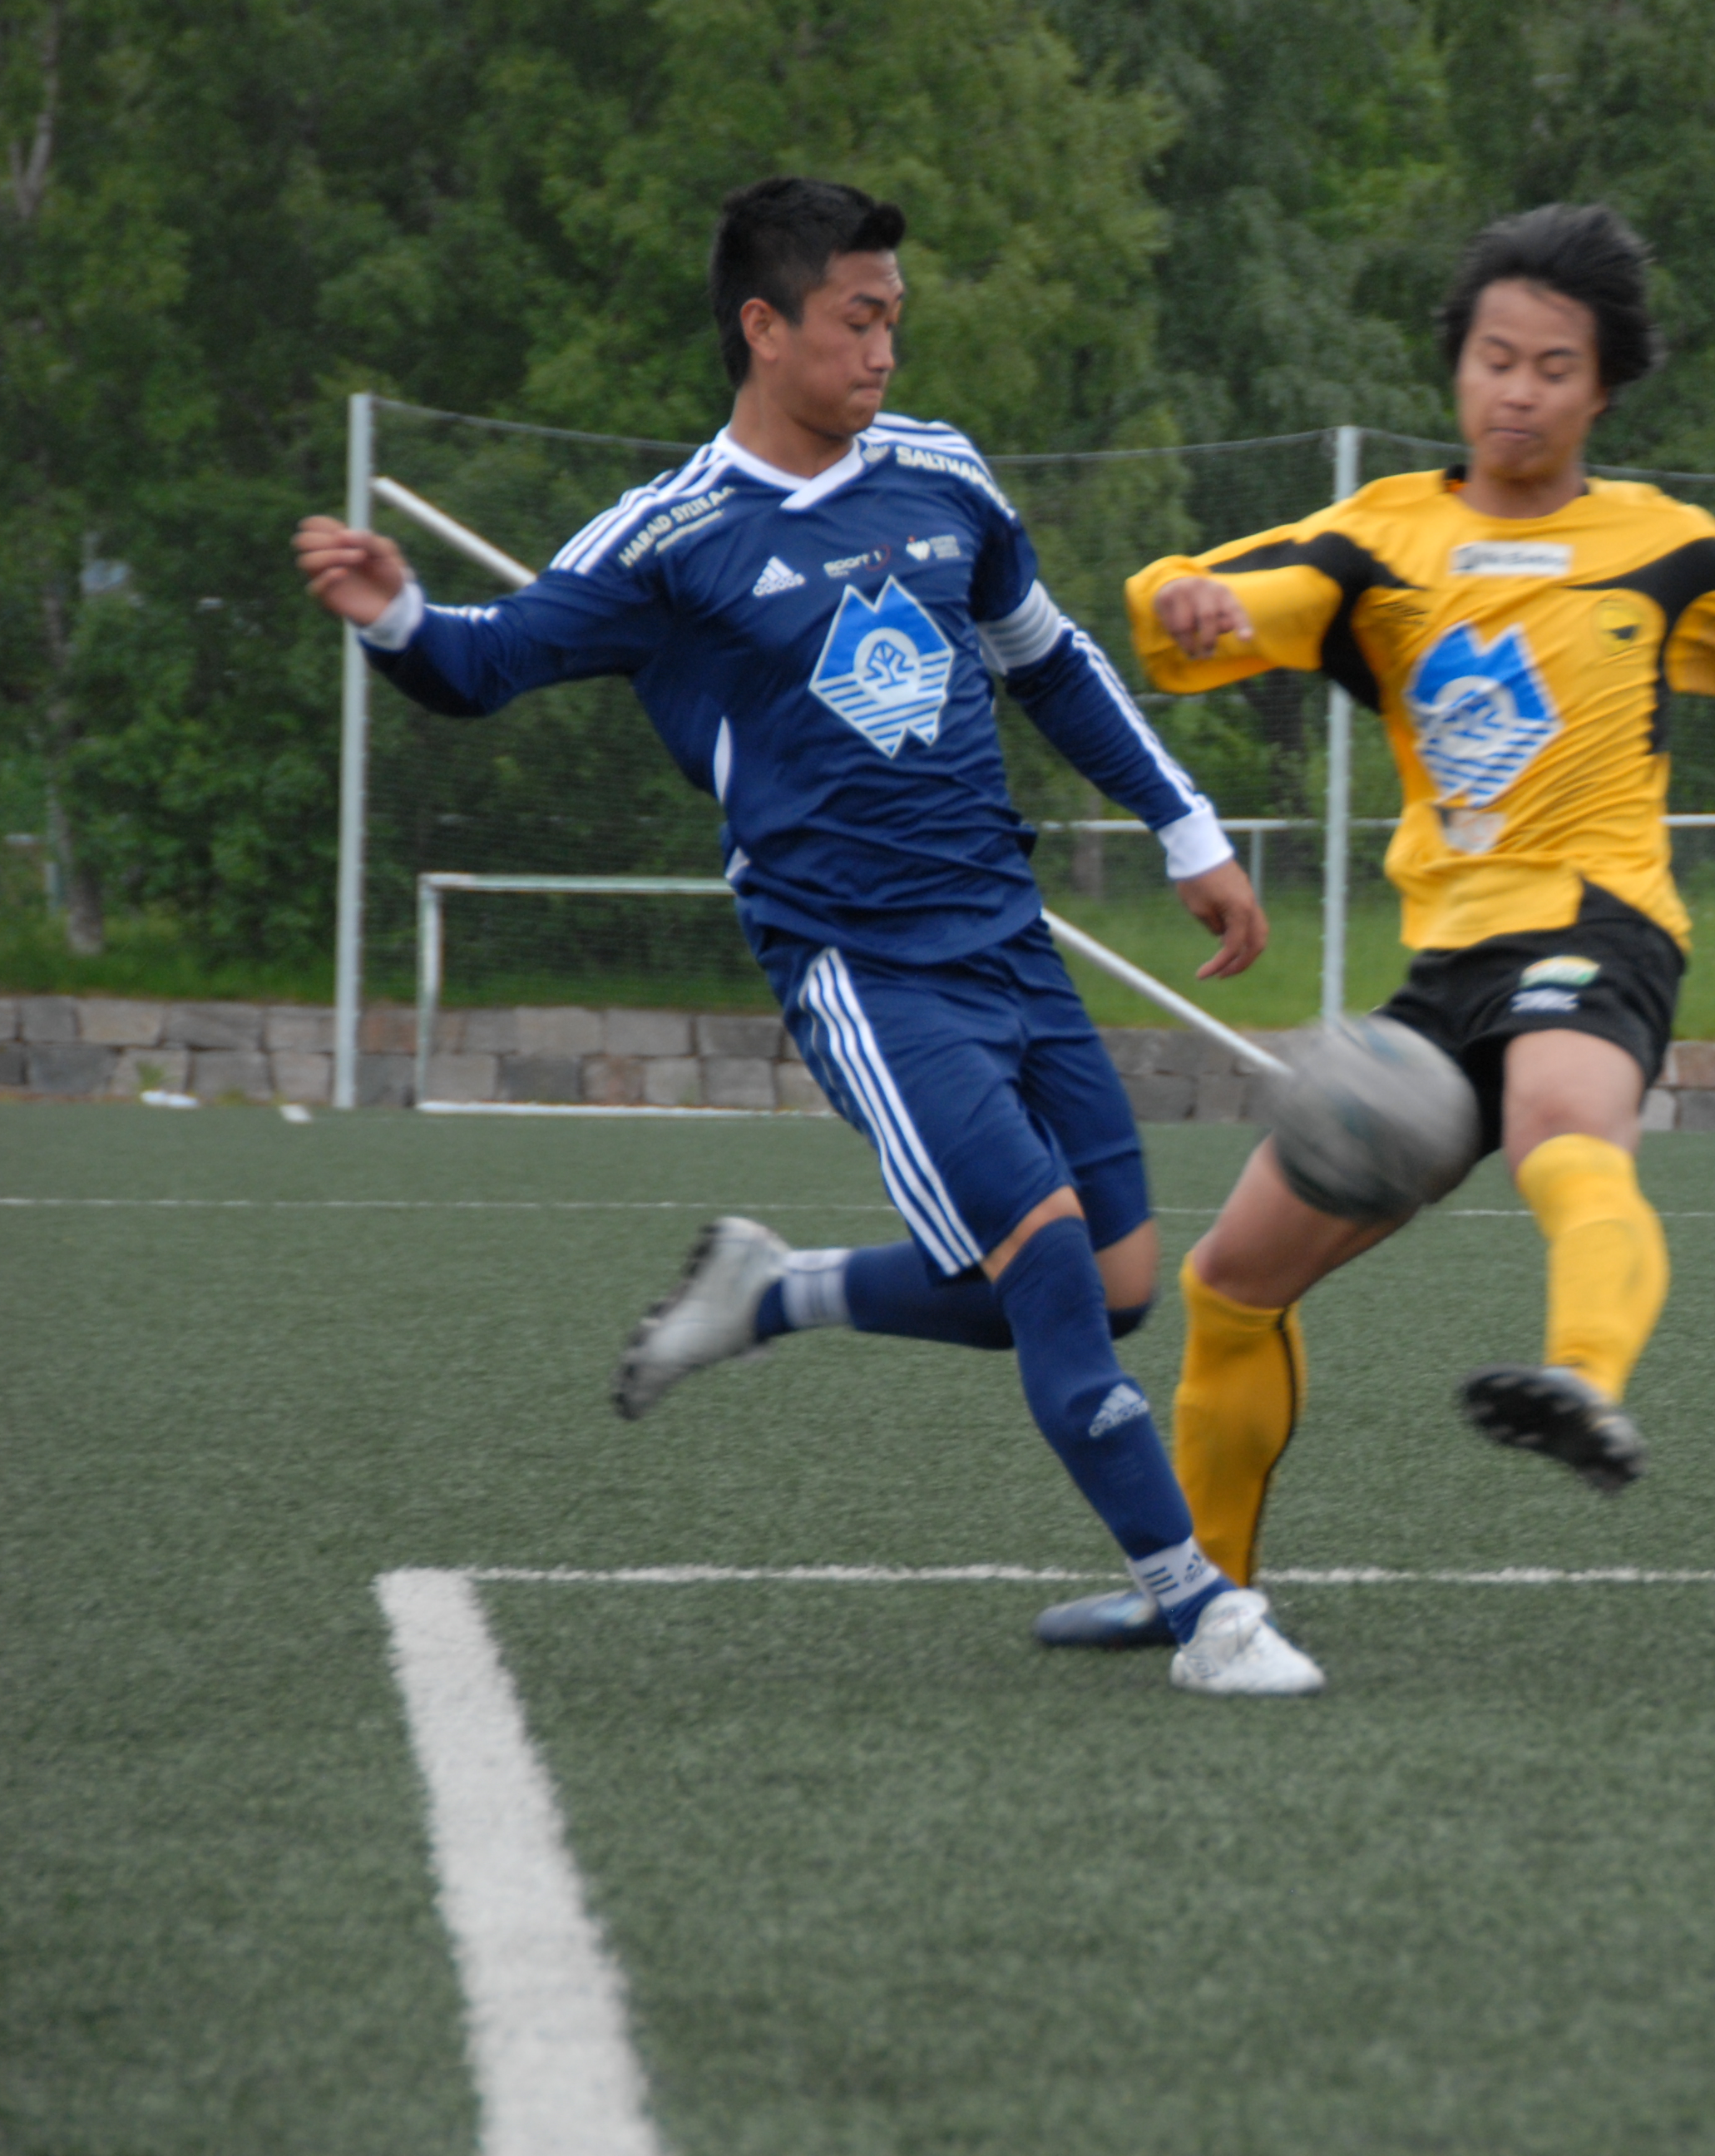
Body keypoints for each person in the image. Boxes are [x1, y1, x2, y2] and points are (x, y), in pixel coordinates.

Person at [289, 177, 1321, 1697]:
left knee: (1113, 1289)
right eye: (858, 318)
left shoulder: (943, 473)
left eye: (895, 318)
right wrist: (395, 618)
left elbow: (1049, 663)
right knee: (1045, 1264)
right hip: (861, 966)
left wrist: (1188, 829)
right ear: (765, 327)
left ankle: (772, 1295)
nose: (885, 349)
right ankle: (1203, 1614)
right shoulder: (672, 537)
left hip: (1009, 939)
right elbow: (484, 665)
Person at [1032, 203, 1715, 1649]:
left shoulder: (1667, 549)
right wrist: (1189, 601)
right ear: (1458, 365)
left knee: (1560, 1129)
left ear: (1603, 392)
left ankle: (1584, 1376)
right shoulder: (1383, 536)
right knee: (1230, 1283)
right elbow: (1224, 593)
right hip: (1445, 973)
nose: (1517, 391)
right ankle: (1200, 1597)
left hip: (1600, 923)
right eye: (1496, 359)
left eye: (1554, 367)